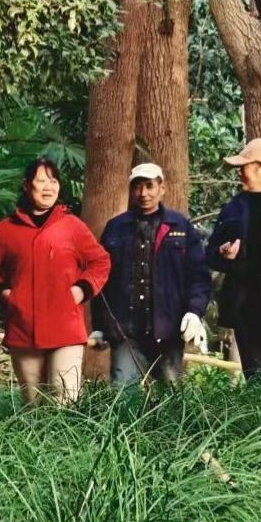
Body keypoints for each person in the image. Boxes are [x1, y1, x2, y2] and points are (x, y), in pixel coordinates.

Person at [0, 157, 110, 404]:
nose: (49, 187)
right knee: (32, 402)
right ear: (27, 186)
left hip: (65, 327)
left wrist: (81, 290)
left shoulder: (72, 226)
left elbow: (100, 262)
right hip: (23, 327)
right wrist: (3, 292)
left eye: (53, 181)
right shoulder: (6, 230)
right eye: (41, 181)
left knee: (64, 397)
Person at [92, 162, 211, 386]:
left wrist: (195, 312)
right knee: (123, 395)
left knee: (171, 396)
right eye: (137, 187)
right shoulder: (116, 228)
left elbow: (198, 276)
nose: (143, 193)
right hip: (125, 331)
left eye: (149, 186)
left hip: (168, 330)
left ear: (162, 188)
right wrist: (99, 325)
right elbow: (101, 279)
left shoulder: (180, 226)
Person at [207, 138, 261, 377]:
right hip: (246, 313)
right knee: (257, 382)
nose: (239, 173)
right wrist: (223, 254)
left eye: (244, 167)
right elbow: (210, 255)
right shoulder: (233, 208)